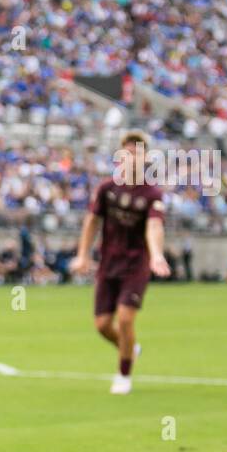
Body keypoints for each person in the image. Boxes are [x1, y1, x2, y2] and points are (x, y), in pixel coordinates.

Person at [72, 131, 172, 395]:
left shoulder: (152, 193)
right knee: (102, 325)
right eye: (128, 152)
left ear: (146, 158)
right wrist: (83, 254)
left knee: (126, 320)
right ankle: (130, 348)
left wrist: (157, 254)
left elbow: (154, 227)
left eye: (138, 153)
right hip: (108, 263)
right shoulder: (107, 189)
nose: (133, 157)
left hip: (136, 264)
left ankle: (124, 374)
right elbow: (92, 222)